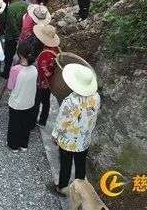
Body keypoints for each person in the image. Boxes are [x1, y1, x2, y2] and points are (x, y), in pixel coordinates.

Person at [50, 64, 100, 196]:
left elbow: (62, 122)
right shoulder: (96, 97)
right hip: (84, 139)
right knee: (80, 164)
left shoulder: (70, 101)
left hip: (68, 140)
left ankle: (62, 188)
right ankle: (80, 189)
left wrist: (55, 135)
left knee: (65, 165)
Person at [5, 42, 38, 152]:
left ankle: (13, 145)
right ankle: (24, 144)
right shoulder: (34, 69)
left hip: (17, 102)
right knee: (25, 124)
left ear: (20, 54)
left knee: (15, 124)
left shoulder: (16, 69)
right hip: (29, 102)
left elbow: (10, 86)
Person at [33, 24, 60, 127]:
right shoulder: (56, 49)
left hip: (41, 83)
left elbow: (42, 71)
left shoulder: (45, 54)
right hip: (50, 83)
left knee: (36, 102)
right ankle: (43, 121)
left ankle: (32, 122)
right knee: (46, 101)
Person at [2, 0, 29, 78]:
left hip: (11, 36)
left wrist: (17, 36)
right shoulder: (26, 4)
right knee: (19, 55)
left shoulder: (11, 8)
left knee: (8, 55)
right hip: (23, 35)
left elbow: (11, 24)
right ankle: (16, 73)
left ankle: (6, 72)